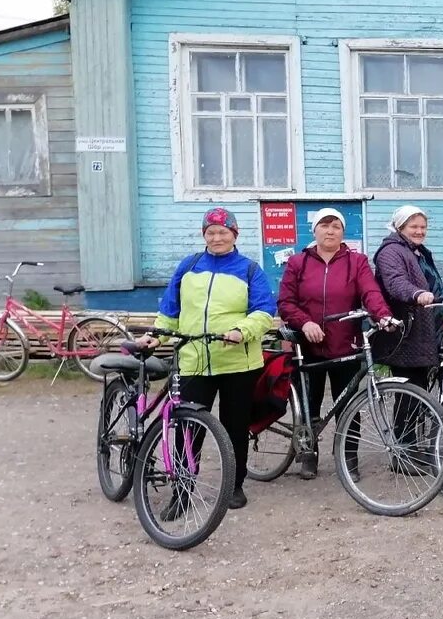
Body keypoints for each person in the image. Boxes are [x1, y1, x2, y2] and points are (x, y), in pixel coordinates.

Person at [142, 207, 277, 511]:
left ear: (235, 234)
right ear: (204, 235)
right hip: (194, 360)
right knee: (188, 428)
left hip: (237, 363)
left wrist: (242, 330)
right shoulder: (188, 267)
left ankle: (234, 485)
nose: (217, 237)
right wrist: (157, 335)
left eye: (223, 232)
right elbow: (171, 310)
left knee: (234, 426)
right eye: (211, 232)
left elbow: (263, 312)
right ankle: (182, 489)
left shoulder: (250, 269)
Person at [277, 208, 393, 479]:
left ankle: (348, 457)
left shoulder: (357, 262)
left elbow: (371, 292)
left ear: (343, 232)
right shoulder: (298, 263)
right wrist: (304, 322)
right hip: (308, 347)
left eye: (336, 226)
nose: (330, 231)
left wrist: (383, 315)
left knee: (349, 408)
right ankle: (308, 453)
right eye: (324, 226)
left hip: (346, 346)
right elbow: (286, 302)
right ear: (314, 231)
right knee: (309, 405)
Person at [372, 205, 443, 390]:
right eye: (414, 227)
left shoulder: (419, 252)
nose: (420, 231)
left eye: (423, 227)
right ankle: (405, 421)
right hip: (405, 334)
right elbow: (395, 282)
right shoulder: (390, 251)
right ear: (400, 227)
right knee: (409, 397)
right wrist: (417, 294)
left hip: (423, 332)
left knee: (420, 394)